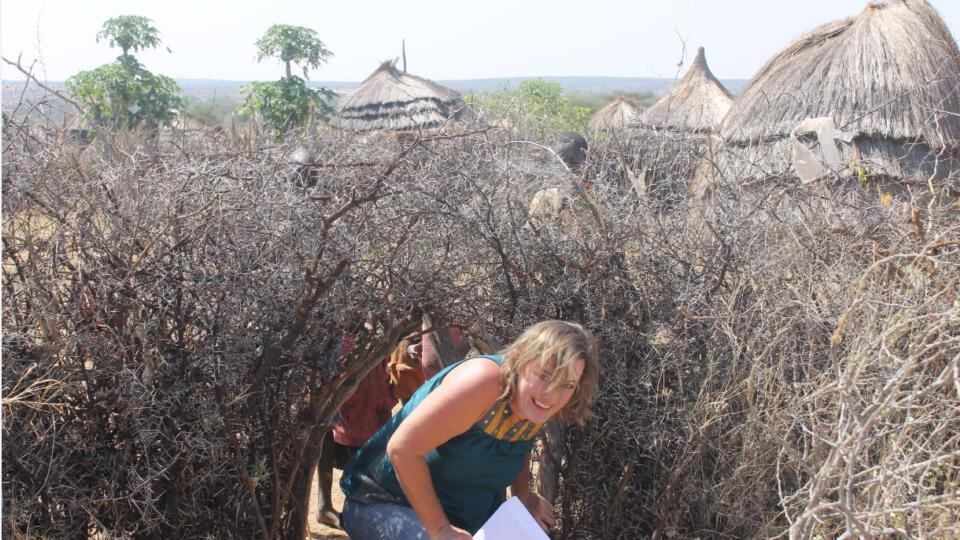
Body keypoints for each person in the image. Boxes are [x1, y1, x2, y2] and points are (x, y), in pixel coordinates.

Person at [340, 320, 600, 539]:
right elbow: (402, 449)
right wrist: (440, 529)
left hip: (465, 519)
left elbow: (516, 442)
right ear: (522, 361)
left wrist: (523, 496)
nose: (551, 394)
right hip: (383, 504)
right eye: (544, 376)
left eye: (567, 385)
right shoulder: (484, 383)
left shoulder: (535, 401)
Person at [317, 331, 398, 529]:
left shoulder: (375, 327)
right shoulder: (330, 332)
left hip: (369, 375)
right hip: (339, 358)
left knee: (370, 445)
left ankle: (362, 510)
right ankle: (325, 506)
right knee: (326, 427)